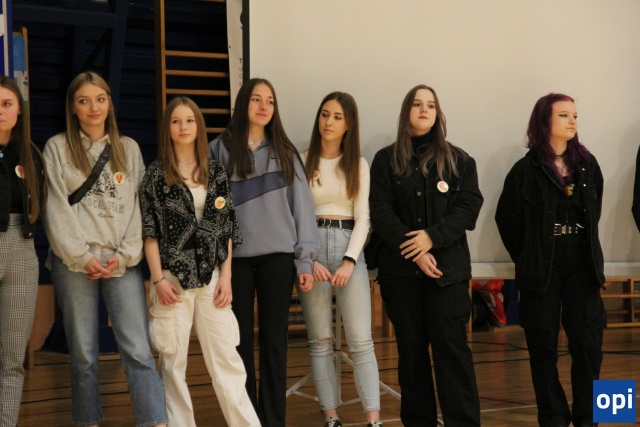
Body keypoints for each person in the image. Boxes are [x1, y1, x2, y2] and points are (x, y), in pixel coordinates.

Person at [41, 71, 167, 427]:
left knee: (138, 349)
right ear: (73, 107)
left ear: (110, 103)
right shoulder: (57, 148)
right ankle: (87, 421)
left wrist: (125, 255)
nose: (93, 107)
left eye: (100, 99)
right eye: (84, 100)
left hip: (120, 262)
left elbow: (140, 208)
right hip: (74, 263)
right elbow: (54, 208)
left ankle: (154, 421)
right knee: (83, 354)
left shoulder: (128, 148)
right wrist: (82, 256)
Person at [140, 96, 260, 426]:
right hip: (171, 280)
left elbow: (227, 229)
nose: (183, 126)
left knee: (227, 360)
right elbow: (149, 233)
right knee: (172, 364)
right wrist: (158, 279)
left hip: (212, 279)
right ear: (167, 128)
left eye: (189, 120)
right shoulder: (155, 175)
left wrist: (227, 276)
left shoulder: (215, 172)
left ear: (199, 126)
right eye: (176, 121)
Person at [368, 84, 482, 426]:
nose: (424, 110)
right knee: (412, 357)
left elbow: (468, 208)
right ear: (407, 112)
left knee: (453, 355)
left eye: (430, 105)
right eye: (417, 104)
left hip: (448, 275)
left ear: (437, 114)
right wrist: (415, 250)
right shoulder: (386, 161)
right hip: (401, 276)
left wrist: (432, 238)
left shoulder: (460, 161)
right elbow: (381, 213)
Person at [209, 77, 319, 426]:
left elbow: (302, 210)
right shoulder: (217, 150)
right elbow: (210, 212)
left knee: (275, 342)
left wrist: (304, 260)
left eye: (270, 101)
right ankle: (246, 419)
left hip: (278, 260)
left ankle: (273, 421)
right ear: (243, 103)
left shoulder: (285, 153)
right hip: (234, 263)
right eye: (256, 99)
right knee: (237, 343)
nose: (263, 106)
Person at [496, 93, 605, 427]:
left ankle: (593, 418)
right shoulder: (525, 169)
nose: (572, 121)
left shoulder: (588, 164)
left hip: (582, 263)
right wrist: (530, 255)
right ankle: (554, 417)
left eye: (575, 115)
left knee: (589, 344)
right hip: (542, 266)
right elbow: (507, 220)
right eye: (564, 115)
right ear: (545, 121)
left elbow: (595, 212)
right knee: (542, 344)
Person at [299, 92, 382, 427]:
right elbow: (296, 216)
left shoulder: (357, 164)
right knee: (320, 340)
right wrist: (307, 259)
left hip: (350, 247)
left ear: (349, 124)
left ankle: (373, 419)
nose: (329, 122)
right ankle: (331, 417)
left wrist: (350, 260)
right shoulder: (302, 161)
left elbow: (364, 219)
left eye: (337, 117)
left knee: (361, 341)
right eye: (324, 114)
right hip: (312, 249)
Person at [0, 76, 46, 426]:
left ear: (19, 111)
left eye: (6, 104)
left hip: (22, 249)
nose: (0, 111)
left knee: (13, 358)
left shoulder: (30, 155)